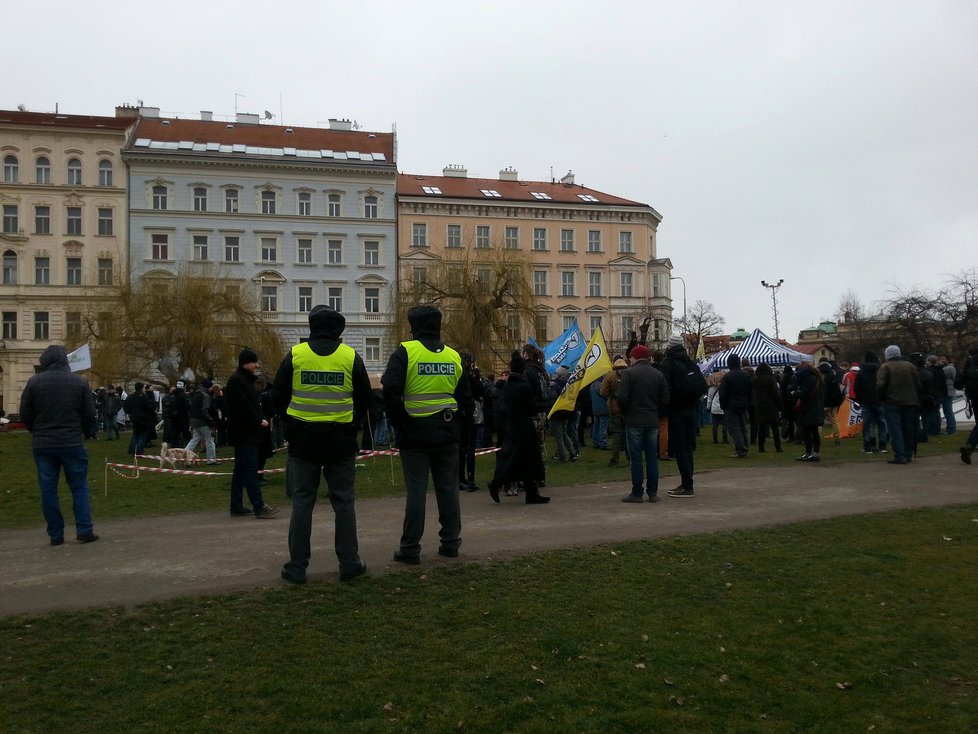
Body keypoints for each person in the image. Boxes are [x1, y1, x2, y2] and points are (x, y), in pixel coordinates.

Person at [273, 305, 372, 584]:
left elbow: (277, 397)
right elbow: (365, 400)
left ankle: (297, 567)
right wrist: (353, 427)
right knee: (343, 504)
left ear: (311, 327)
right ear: (339, 330)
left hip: (303, 443)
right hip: (340, 443)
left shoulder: (296, 355)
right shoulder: (350, 357)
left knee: (302, 503)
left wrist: (290, 423)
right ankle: (350, 563)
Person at [382, 305, 473, 564]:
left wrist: (401, 422)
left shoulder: (406, 352)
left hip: (414, 435)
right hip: (447, 432)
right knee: (448, 491)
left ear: (414, 327)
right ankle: (451, 543)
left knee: (416, 493)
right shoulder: (453, 356)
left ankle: (410, 548)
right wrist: (458, 427)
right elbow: (465, 398)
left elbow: (390, 390)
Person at [19, 344, 99, 545]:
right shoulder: (79, 382)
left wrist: (35, 430)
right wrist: (88, 432)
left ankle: (55, 535)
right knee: (79, 487)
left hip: (43, 444)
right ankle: (84, 529)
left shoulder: (34, 382)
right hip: (72, 442)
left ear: (45, 361)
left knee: (48, 490)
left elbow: (25, 413)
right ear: (65, 360)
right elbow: (89, 414)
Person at [487, 351, 549, 504]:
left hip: (512, 425)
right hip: (524, 428)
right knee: (525, 460)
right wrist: (543, 405)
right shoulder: (524, 387)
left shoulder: (508, 386)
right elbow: (531, 409)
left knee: (518, 459)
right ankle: (498, 483)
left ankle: (530, 492)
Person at [225, 348, 279, 518]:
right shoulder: (238, 381)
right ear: (245, 363)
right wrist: (259, 420)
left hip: (244, 432)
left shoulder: (242, 381)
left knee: (240, 470)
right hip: (245, 432)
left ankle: (236, 505)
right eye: (253, 362)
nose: (256, 365)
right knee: (250, 470)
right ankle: (259, 506)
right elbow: (244, 407)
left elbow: (251, 404)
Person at [616, 344, 669, 503]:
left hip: (634, 420)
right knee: (652, 458)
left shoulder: (628, 374)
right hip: (652, 420)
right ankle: (652, 492)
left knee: (636, 458)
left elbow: (622, 397)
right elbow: (665, 399)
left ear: (634, 357)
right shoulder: (658, 375)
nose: (629, 359)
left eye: (630, 356)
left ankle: (637, 492)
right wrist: (655, 412)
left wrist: (627, 412)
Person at [659, 335, 706, 498]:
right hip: (691, 409)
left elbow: (664, 389)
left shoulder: (668, 364)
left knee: (680, 448)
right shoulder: (690, 362)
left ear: (669, 347)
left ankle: (687, 485)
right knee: (687, 447)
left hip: (676, 410)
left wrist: (663, 409)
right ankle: (688, 481)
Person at [877, 345, 921, 465]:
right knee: (908, 429)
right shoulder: (910, 366)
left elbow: (880, 386)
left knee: (895, 430)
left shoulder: (885, 367)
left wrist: (883, 398)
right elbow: (918, 384)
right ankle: (908, 454)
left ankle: (900, 455)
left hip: (892, 402)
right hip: (910, 402)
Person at [853, 351, 887, 453]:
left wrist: (860, 399)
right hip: (879, 400)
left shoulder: (861, 371)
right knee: (882, 423)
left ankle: (868, 445)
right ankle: (883, 445)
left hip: (866, 400)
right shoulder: (881, 370)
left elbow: (856, 387)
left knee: (867, 424)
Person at [718, 353, 751, 458]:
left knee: (734, 429)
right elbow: (750, 391)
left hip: (731, 405)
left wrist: (723, 405)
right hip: (743, 404)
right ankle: (744, 446)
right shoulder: (745, 375)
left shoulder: (727, 377)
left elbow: (723, 393)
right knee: (743, 427)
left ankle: (741, 449)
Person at [599, 357, 629, 466]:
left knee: (616, 434)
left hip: (615, 407)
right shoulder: (630, 373)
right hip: (629, 408)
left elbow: (602, 392)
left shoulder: (610, 375)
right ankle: (631, 457)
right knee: (629, 433)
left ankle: (615, 459)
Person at [792, 361, 824, 461]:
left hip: (808, 408)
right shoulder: (816, 379)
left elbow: (804, 393)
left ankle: (811, 452)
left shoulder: (808, 380)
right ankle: (813, 452)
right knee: (812, 432)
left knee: (809, 432)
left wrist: (795, 393)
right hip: (814, 408)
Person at [549, 366, 578, 463]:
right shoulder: (568, 384)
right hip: (565, 411)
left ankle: (562, 456)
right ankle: (572, 453)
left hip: (556, 412)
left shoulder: (554, 385)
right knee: (564, 434)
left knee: (559, 436)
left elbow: (553, 399)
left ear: (558, 374)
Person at [752, 362, 783, 453]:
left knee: (761, 427)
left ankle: (761, 447)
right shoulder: (771, 379)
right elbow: (776, 394)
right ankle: (778, 447)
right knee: (775, 428)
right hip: (771, 405)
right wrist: (779, 406)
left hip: (760, 405)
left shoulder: (755, 380)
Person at [185, 379, 217, 464]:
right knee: (209, 440)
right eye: (211, 386)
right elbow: (204, 410)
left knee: (194, 439)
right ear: (208, 387)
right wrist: (210, 421)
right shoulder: (206, 396)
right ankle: (211, 460)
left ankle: (184, 455)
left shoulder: (196, 394)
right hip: (202, 421)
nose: (212, 388)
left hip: (194, 420)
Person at [124, 382, 157, 456]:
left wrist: (130, 412)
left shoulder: (131, 397)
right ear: (142, 388)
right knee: (142, 435)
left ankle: (133, 450)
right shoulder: (144, 397)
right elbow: (149, 407)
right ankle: (139, 451)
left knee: (136, 434)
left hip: (134, 418)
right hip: (144, 418)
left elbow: (126, 406)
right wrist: (152, 414)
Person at [818, 358, 844, 447]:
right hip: (832, 401)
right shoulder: (833, 372)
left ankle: (817, 439)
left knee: (819, 421)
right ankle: (837, 441)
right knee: (834, 421)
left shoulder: (817, 373)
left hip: (821, 401)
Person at [938, 355, 957, 435]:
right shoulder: (947, 368)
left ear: (947, 360)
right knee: (947, 410)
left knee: (948, 410)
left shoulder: (949, 368)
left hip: (948, 392)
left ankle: (951, 429)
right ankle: (951, 428)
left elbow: (941, 373)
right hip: (946, 391)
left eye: (943, 359)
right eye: (940, 359)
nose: (941, 360)